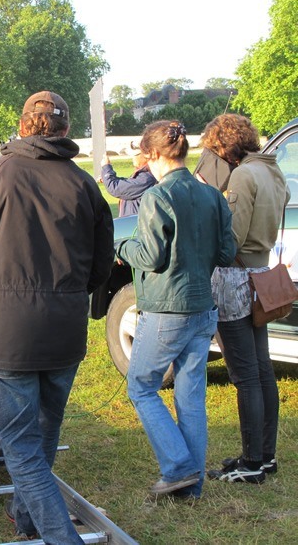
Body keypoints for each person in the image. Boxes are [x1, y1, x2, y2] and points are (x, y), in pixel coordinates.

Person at [0, 91, 114, 542]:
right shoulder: (84, 185)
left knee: (23, 449)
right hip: (63, 326)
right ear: (63, 131)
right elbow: (102, 262)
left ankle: (61, 537)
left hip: (9, 330)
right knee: (42, 433)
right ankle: (26, 519)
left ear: (23, 126)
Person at [115, 120, 236, 499]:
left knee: (141, 387)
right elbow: (227, 252)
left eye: (143, 158)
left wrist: (120, 249)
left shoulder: (157, 196)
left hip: (167, 311)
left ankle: (179, 467)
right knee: (190, 397)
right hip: (203, 308)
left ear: (152, 155)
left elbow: (149, 255)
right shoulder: (212, 195)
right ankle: (191, 487)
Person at [203, 114, 289, 484]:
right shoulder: (273, 171)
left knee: (245, 376)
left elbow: (230, 244)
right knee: (262, 369)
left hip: (235, 280)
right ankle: (265, 457)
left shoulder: (243, 175)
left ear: (224, 146)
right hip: (262, 277)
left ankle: (252, 462)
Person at [100, 143, 157, 216]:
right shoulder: (146, 175)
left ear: (146, 155)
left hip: (136, 225)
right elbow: (129, 183)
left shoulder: (147, 177)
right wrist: (110, 178)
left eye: (136, 155)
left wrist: (106, 167)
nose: (133, 158)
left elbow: (115, 188)